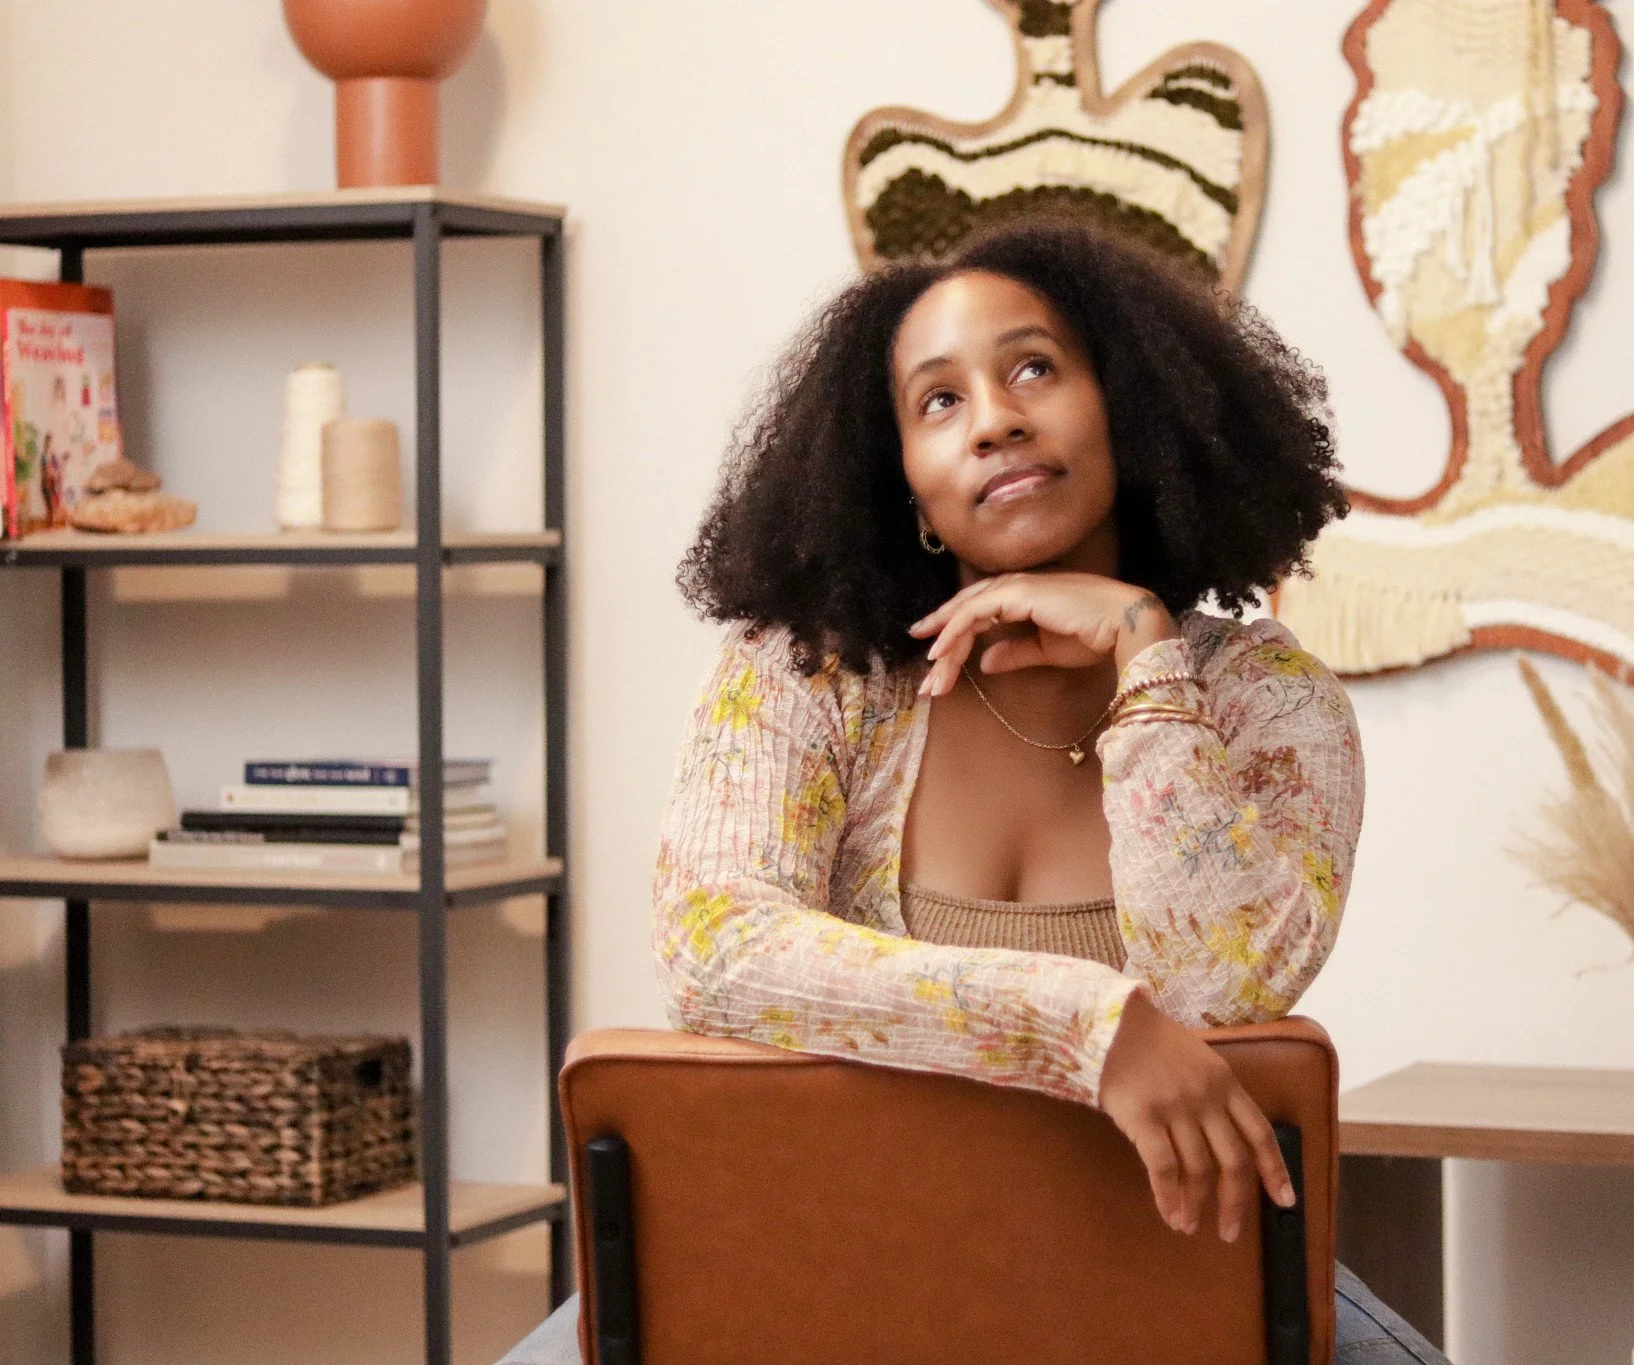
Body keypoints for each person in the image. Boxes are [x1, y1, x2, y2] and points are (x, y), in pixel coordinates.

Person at [501, 219, 1449, 1365]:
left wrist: (1146, 661)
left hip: (1165, 1256)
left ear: (1128, 409)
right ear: (903, 480)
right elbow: (714, 948)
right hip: (834, 1249)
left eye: (1033, 369)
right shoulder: (809, 671)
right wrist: (1082, 1023)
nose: (994, 416)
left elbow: (1224, 981)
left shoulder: (1269, 702)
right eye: (936, 402)